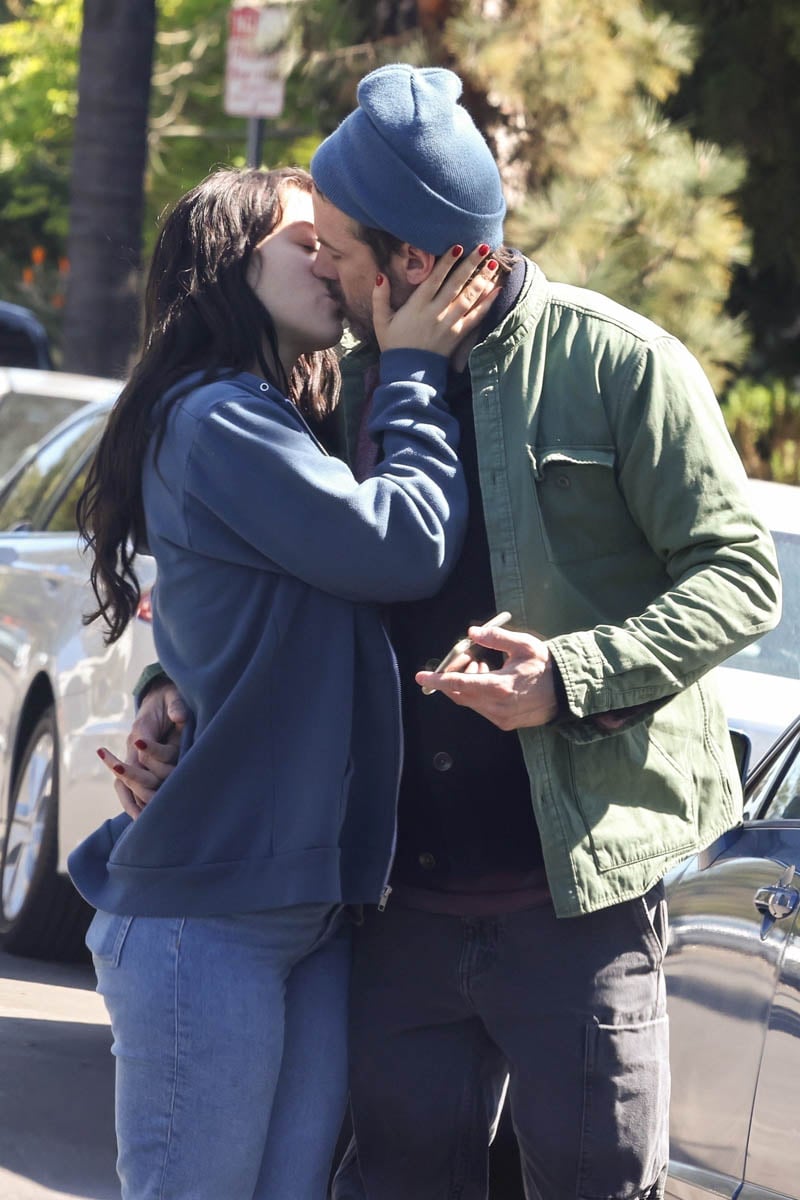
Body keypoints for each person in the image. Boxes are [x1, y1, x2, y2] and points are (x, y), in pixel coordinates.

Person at [106, 68, 781, 1200]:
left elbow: (740, 574)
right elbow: (275, 573)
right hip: (391, 905)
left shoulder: (622, 365)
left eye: (334, 248)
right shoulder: (345, 379)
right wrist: (173, 687)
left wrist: (573, 674)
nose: (318, 265)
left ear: (407, 262)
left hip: (576, 901)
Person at [67, 162, 500, 1200]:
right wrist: (412, 372)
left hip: (306, 910)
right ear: (226, 266)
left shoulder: (270, 417)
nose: (327, 257)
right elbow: (398, 548)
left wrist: (166, 688)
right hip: (209, 915)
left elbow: (257, 618)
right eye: (299, 240)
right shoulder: (218, 416)